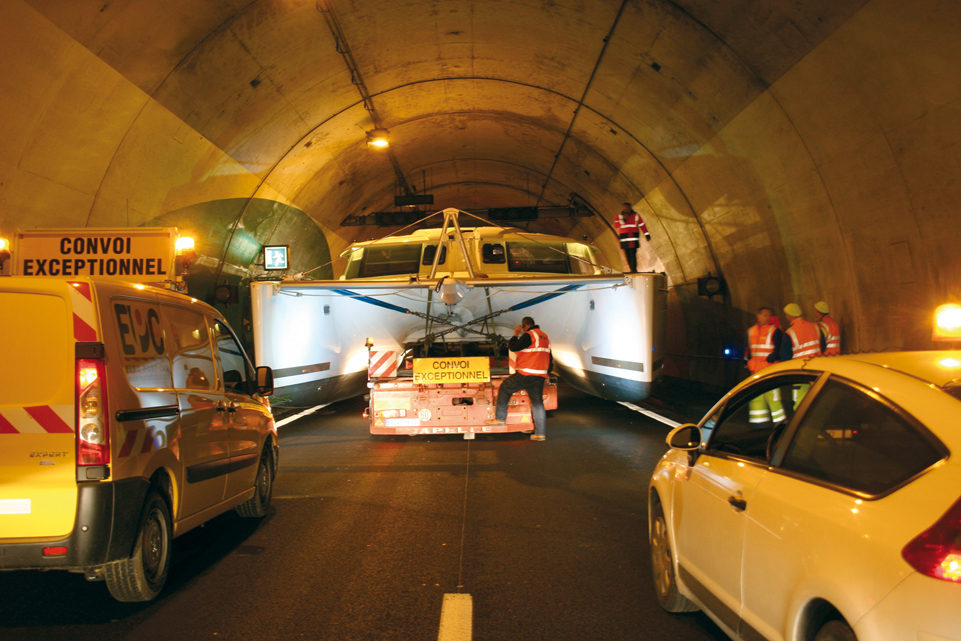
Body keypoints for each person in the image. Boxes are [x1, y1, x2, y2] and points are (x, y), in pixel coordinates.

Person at [487, 316, 551, 441]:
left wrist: (515, 333)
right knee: (538, 404)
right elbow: (550, 356)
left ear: (524, 326)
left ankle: (500, 419)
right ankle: (540, 434)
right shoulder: (544, 336)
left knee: (505, 388)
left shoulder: (529, 335)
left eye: (521, 327)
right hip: (539, 375)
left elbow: (514, 347)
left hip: (526, 373)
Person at [745, 307, 786, 425]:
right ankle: (759, 425)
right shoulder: (751, 331)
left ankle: (781, 425)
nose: (768, 318)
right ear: (758, 316)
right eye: (765, 315)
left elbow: (779, 350)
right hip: (755, 372)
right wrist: (747, 361)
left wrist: (774, 356)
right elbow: (748, 350)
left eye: (769, 315)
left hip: (769, 371)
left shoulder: (774, 331)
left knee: (773, 398)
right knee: (756, 399)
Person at [781, 303, 823, 408]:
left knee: (800, 403)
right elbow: (823, 346)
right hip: (818, 370)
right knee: (817, 400)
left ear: (789, 315)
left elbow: (785, 356)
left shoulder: (790, 332)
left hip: (800, 371)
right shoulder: (815, 326)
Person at [614, 203, 651, 273]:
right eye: (625, 208)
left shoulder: (636, 215)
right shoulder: (619, 216)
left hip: (633, 238)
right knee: (627, 255)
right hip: (624, 239)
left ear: (630, 208)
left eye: (627, 208)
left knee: (632, 254)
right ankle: (632, 269)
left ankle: (633, 270)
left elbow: (642, 225)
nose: (626, 209)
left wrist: (647, 234)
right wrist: (624, 220)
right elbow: (616, 225)